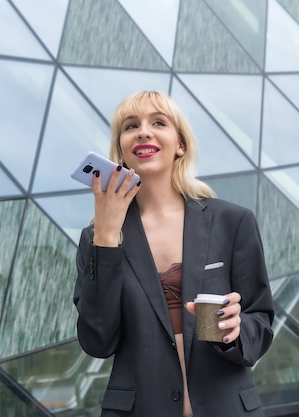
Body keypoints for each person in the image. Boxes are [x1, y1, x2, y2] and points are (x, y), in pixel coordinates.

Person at [73, 90, 274, 417]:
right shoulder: (96, 240)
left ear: (180, 144)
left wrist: (235, 331)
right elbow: (98, 341)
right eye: (130, 126)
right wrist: (107, 236)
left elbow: (260, 322)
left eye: (158, 122)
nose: (143, 131)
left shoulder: (232, 222)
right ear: (121, 150)